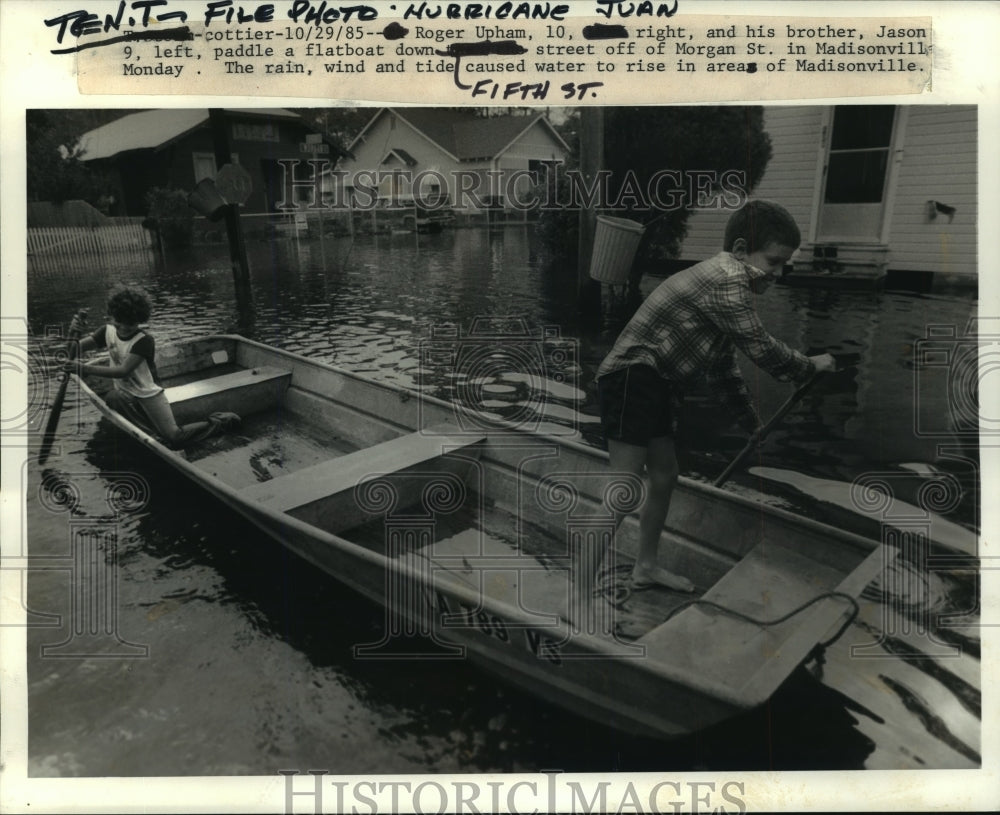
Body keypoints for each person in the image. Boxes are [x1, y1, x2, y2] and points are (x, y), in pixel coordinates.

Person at [596, 200, 836, 593]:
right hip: (631, 378)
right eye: (774, 262)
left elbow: (724, 370)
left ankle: (645, 567)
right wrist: (810, 366)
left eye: (782, 266)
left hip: (657, 384)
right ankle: (574, 597)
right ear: (741, 251)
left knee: (666, 475)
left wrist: (751, 424)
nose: (778, 274)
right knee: (623, 489)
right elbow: (760, 346)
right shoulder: (726, 277)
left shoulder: (726, 294)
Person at [65, 285, 239, 448]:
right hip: (127, 393)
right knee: (113, 397)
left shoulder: (144, 341)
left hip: (148, 394)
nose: (124, 328)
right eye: (120, 322)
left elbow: (122, 371)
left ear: (139, 321)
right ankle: (154, 439)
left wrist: (83, 368)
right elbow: (72, 350)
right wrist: (73, 331)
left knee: (175, 437)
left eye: (130, 324)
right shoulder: (107, 331)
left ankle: (221, 422)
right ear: (112, 316)